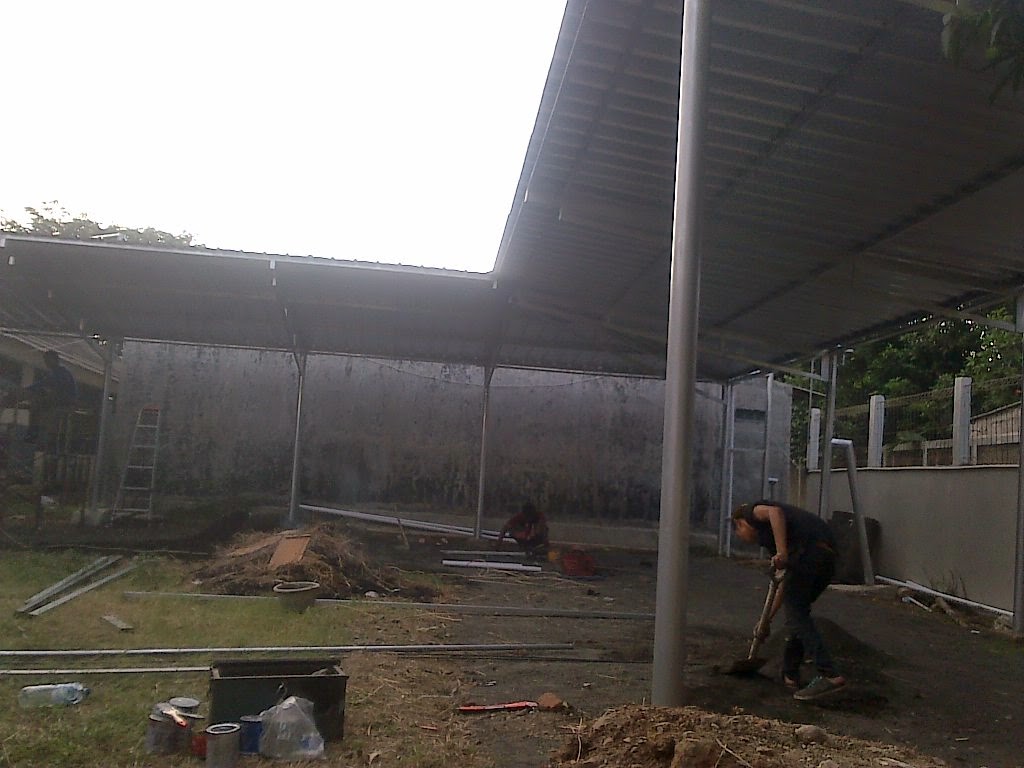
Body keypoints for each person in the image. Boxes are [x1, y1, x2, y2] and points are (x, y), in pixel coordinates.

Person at [732, 500, 846, 701]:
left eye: (738, 532)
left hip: (812, 553)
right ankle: (790, 674)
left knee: (797, 615)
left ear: (740, 523)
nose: (741, 538)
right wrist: (766, 619)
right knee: (797, 614)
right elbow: (783, 585)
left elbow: (775, 512)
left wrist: (782, 551)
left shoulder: (752, 512)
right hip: (826, 558)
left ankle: (829, 675)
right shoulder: (773, 540)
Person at [19, 351, 77, 446]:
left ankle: (33, 433)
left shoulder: (61, 373)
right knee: (37, 400)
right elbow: (43, 383)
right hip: (61, 400)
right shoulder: (56, 373)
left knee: (36, 404)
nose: (46, 362)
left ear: (54, 360)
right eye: (45, 360)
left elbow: (51, 385)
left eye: (47, 360)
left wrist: (38, 392)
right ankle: (34, 432)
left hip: (65, 401)